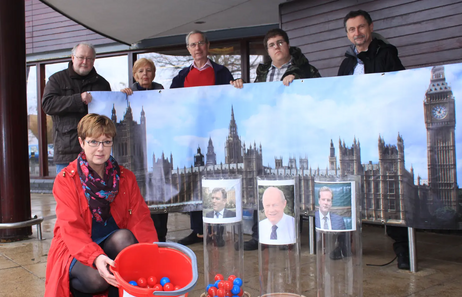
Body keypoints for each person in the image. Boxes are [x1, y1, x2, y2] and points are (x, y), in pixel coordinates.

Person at [41, 114, 158, 297]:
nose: (100, 149)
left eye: (106, 142)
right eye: (93, 142)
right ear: (81, 142)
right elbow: (71, 227)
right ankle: (80, 291)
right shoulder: (66, 179)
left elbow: (140, 218)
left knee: (126, 237)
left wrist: (151, 253)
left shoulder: (125, 177)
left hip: (113, 240)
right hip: (76, 246)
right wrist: (95, 257)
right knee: (96, 281)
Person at [338, 9, 409, 270]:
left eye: (360, 27)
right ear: (347, 34)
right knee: (348, 187)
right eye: (351, 29)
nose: (357, 33)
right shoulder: (346, 63)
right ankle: (343, 243)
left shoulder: (387, 54)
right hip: (355, 131)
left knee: (395, 191)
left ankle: (402, 249)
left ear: (370, 27)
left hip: (382, 129)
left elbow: (400, 88)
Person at [244, 28, 321, 250]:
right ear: (268, 51)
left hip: (294, 134)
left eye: (280, 43)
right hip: (267, 135)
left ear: (287, 45)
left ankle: (288, 236)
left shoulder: (306, 70)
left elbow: (318, 93)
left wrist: (299, 81)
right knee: (265, 185)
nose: (276, 47)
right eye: (271, 45)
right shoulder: (262, 75)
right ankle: (260, 236)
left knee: (291, 185)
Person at [172, 30, 243, 245]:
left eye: (201, 43)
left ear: (207, 45)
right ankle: (198, 231)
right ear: (188, 49)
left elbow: (232, 99)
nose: (197, 48)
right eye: (193, 45)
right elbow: (171, 103)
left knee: (214, 179)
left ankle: (217, 230)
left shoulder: (222, 72)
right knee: (195, 179)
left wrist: (237, 86)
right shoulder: (181, 77)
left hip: (215, 132)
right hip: (193, 135)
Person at [42, 42, 111, 175]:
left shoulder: (102, 83)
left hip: (96, 151)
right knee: (67, 193)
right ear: (73, 58)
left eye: (89, 58)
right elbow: (48, 105)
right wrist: (77, 99)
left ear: (94, 60)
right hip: (67, 152)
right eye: (81, 57)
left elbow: (108, 115)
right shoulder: (57, 80)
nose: (85, 62)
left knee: (95, 194)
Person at [121, 58, 167, 242]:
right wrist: (122, 95)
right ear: (135, 75)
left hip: (155, 149)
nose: (145, 74)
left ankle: (161, 236)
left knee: (158, 200)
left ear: (153, 74)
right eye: (141, 71)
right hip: (135, 167)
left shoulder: (162, 92)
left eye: (148, 70)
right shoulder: (128, 95)